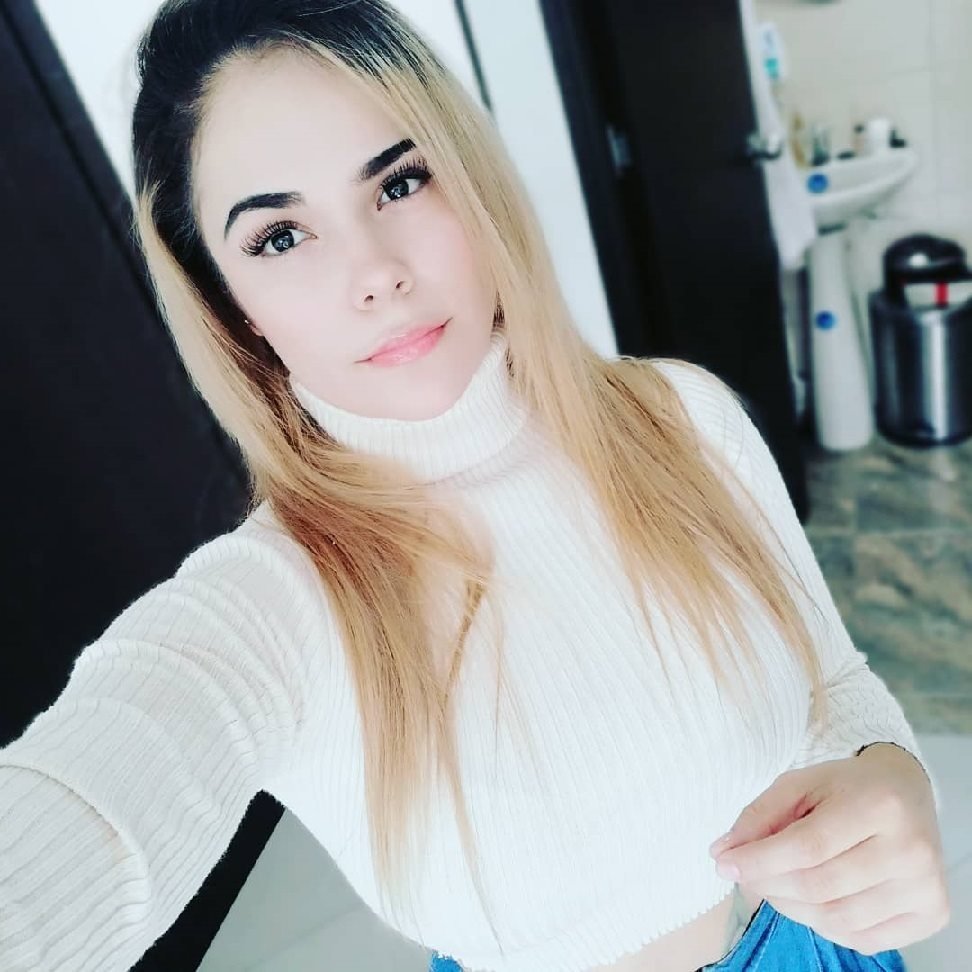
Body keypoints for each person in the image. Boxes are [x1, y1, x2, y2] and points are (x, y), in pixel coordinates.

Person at [0, 2, 939, 970]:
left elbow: (834, 681)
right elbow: (80, 825)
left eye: (400, 182)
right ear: (233, 307)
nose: (376, 273)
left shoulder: (683, 417)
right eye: (280, 236)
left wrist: (890, 768)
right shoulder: (272, 603)